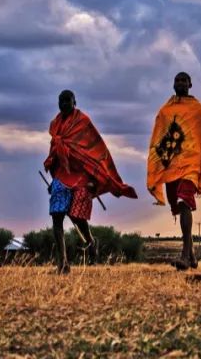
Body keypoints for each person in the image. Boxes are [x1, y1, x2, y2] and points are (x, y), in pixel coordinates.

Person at [44, 89, 137, 274]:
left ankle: (91, 242)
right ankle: (62, 263)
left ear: (74, 102)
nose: (63, 104)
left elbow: (95, 151)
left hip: (82, 176)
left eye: (67, 101)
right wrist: (53, 180)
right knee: (57, 216)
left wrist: (94, 180)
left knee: (77, 216)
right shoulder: (55, 126)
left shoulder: (83, 122)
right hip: (62, 175)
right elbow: (55, 153)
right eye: (60, 101)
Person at [147, 72, 201, 270]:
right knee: (177, 203)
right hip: (173, 164)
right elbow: (159, 139)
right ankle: (192, 256)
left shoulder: (198, 110)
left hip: (192, 163)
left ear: (190, 84)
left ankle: (184, 256)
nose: (180, 83)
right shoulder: (166, 110)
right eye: (177, 80)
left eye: (184, 80)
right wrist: (158, 164)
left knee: (184, 201)